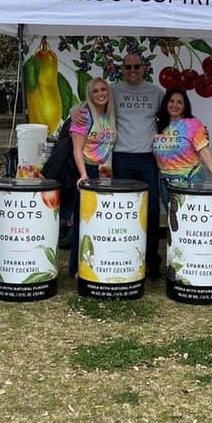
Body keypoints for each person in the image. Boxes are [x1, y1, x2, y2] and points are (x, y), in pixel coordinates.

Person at [111, 52, 163, 279]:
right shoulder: (113, 90)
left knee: (151, 212)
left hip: (148, 159)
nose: (132, 71)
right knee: (125, 212)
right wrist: (75, 111)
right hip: (121, 157)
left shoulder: (156, 92)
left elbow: (172, 116)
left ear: (144, 69)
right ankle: (125, 258)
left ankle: (152, 261)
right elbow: (90, 104)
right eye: (128, 67)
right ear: (122, 70)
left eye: (136, 67)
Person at [68, 77, 117, 277]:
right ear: (89, 95)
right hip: (85, 171)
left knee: (96, 222)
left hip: (101, 172)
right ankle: (76, 267)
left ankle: (94, 262)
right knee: (82, 222)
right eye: (95, 91)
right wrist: (83, 175)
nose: (100, 94)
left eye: (103, 89)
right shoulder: (84, 115)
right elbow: (77, 148)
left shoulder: (109, 115)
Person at [153, 87, 212, 207]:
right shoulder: (158, 124)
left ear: (185, 106)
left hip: (190, 180)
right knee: (172, 218)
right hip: (166, 181)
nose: (175, 105)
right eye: (171, 101)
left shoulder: (192, 124)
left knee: (188, 219)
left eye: (179, 102)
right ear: (166, 103)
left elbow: (204, 151)